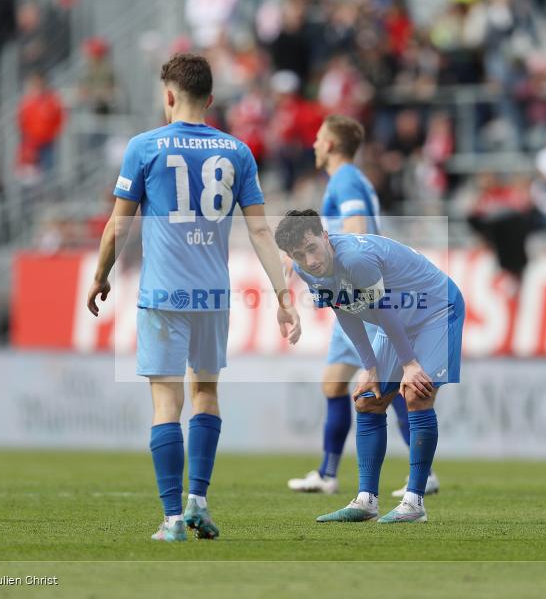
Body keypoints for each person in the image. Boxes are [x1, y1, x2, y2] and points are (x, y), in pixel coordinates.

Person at [86, 53, 301, 542]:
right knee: (206, 393)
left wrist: (101, 275)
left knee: (167, 401)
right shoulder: (238, 152)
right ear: (210, 99)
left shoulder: (144, 147)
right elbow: (262, 231)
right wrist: (283, 294)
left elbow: (120, 225)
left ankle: (170, 521)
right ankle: (198, 504)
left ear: (168, 96)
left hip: (163, 295)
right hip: (213, 296)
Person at [275, 210, 464, 524]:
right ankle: (366, 501)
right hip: (399, 320)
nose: (309, 260)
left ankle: (414, 502)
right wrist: (370, 368)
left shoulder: (355, 259)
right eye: (298, 254)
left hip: (435, 309)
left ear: (324, 235)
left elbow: (384, 308)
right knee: (367, 400)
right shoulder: (306, 269)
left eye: (311, 248)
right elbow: (345, 309)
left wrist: (409, 364)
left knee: (416, 393)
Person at [287, 115, 440, 498]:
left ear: (333, 145)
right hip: (356, 292)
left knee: (380, 387)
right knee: (339, 383)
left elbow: (356, 228)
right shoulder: (350, 179)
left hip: (358, 293)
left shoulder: (345, 180)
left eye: (320, 138)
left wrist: (346, 280)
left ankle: (421, 473)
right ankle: (327, 472)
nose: (314, 145)